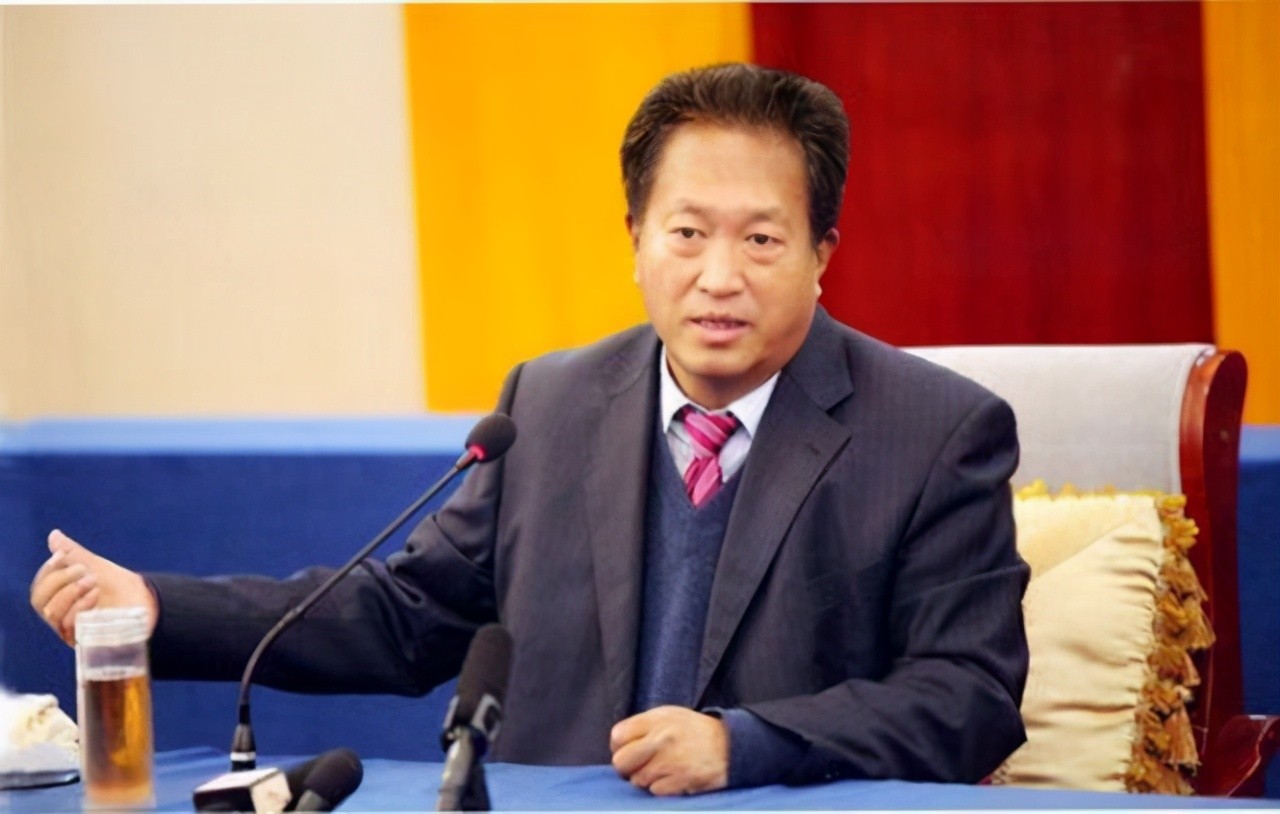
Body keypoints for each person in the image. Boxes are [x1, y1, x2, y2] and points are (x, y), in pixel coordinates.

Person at [30, 63, 1029, 796]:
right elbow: (405, 617)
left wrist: (749, 743)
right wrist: (155, 609)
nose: (718, 277)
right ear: (635, 240)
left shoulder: (935, 430)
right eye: (686, 233)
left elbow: (969, 693)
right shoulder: (549, 406)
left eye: (761, 239)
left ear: (822, 254)